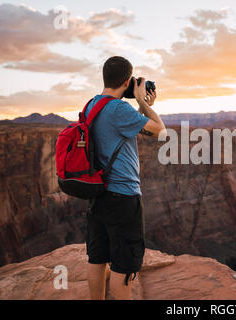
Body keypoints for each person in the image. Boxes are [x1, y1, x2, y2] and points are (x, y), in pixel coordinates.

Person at [84, 56, 165, 300]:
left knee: (97, 257)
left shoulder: (92, 105)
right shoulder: (119, 109)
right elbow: (158, 130)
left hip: (98, 194)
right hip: (123, 198)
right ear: (128, 80)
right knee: (124, 265)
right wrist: (143, 101)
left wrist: (140, 108)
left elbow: (131, 126)